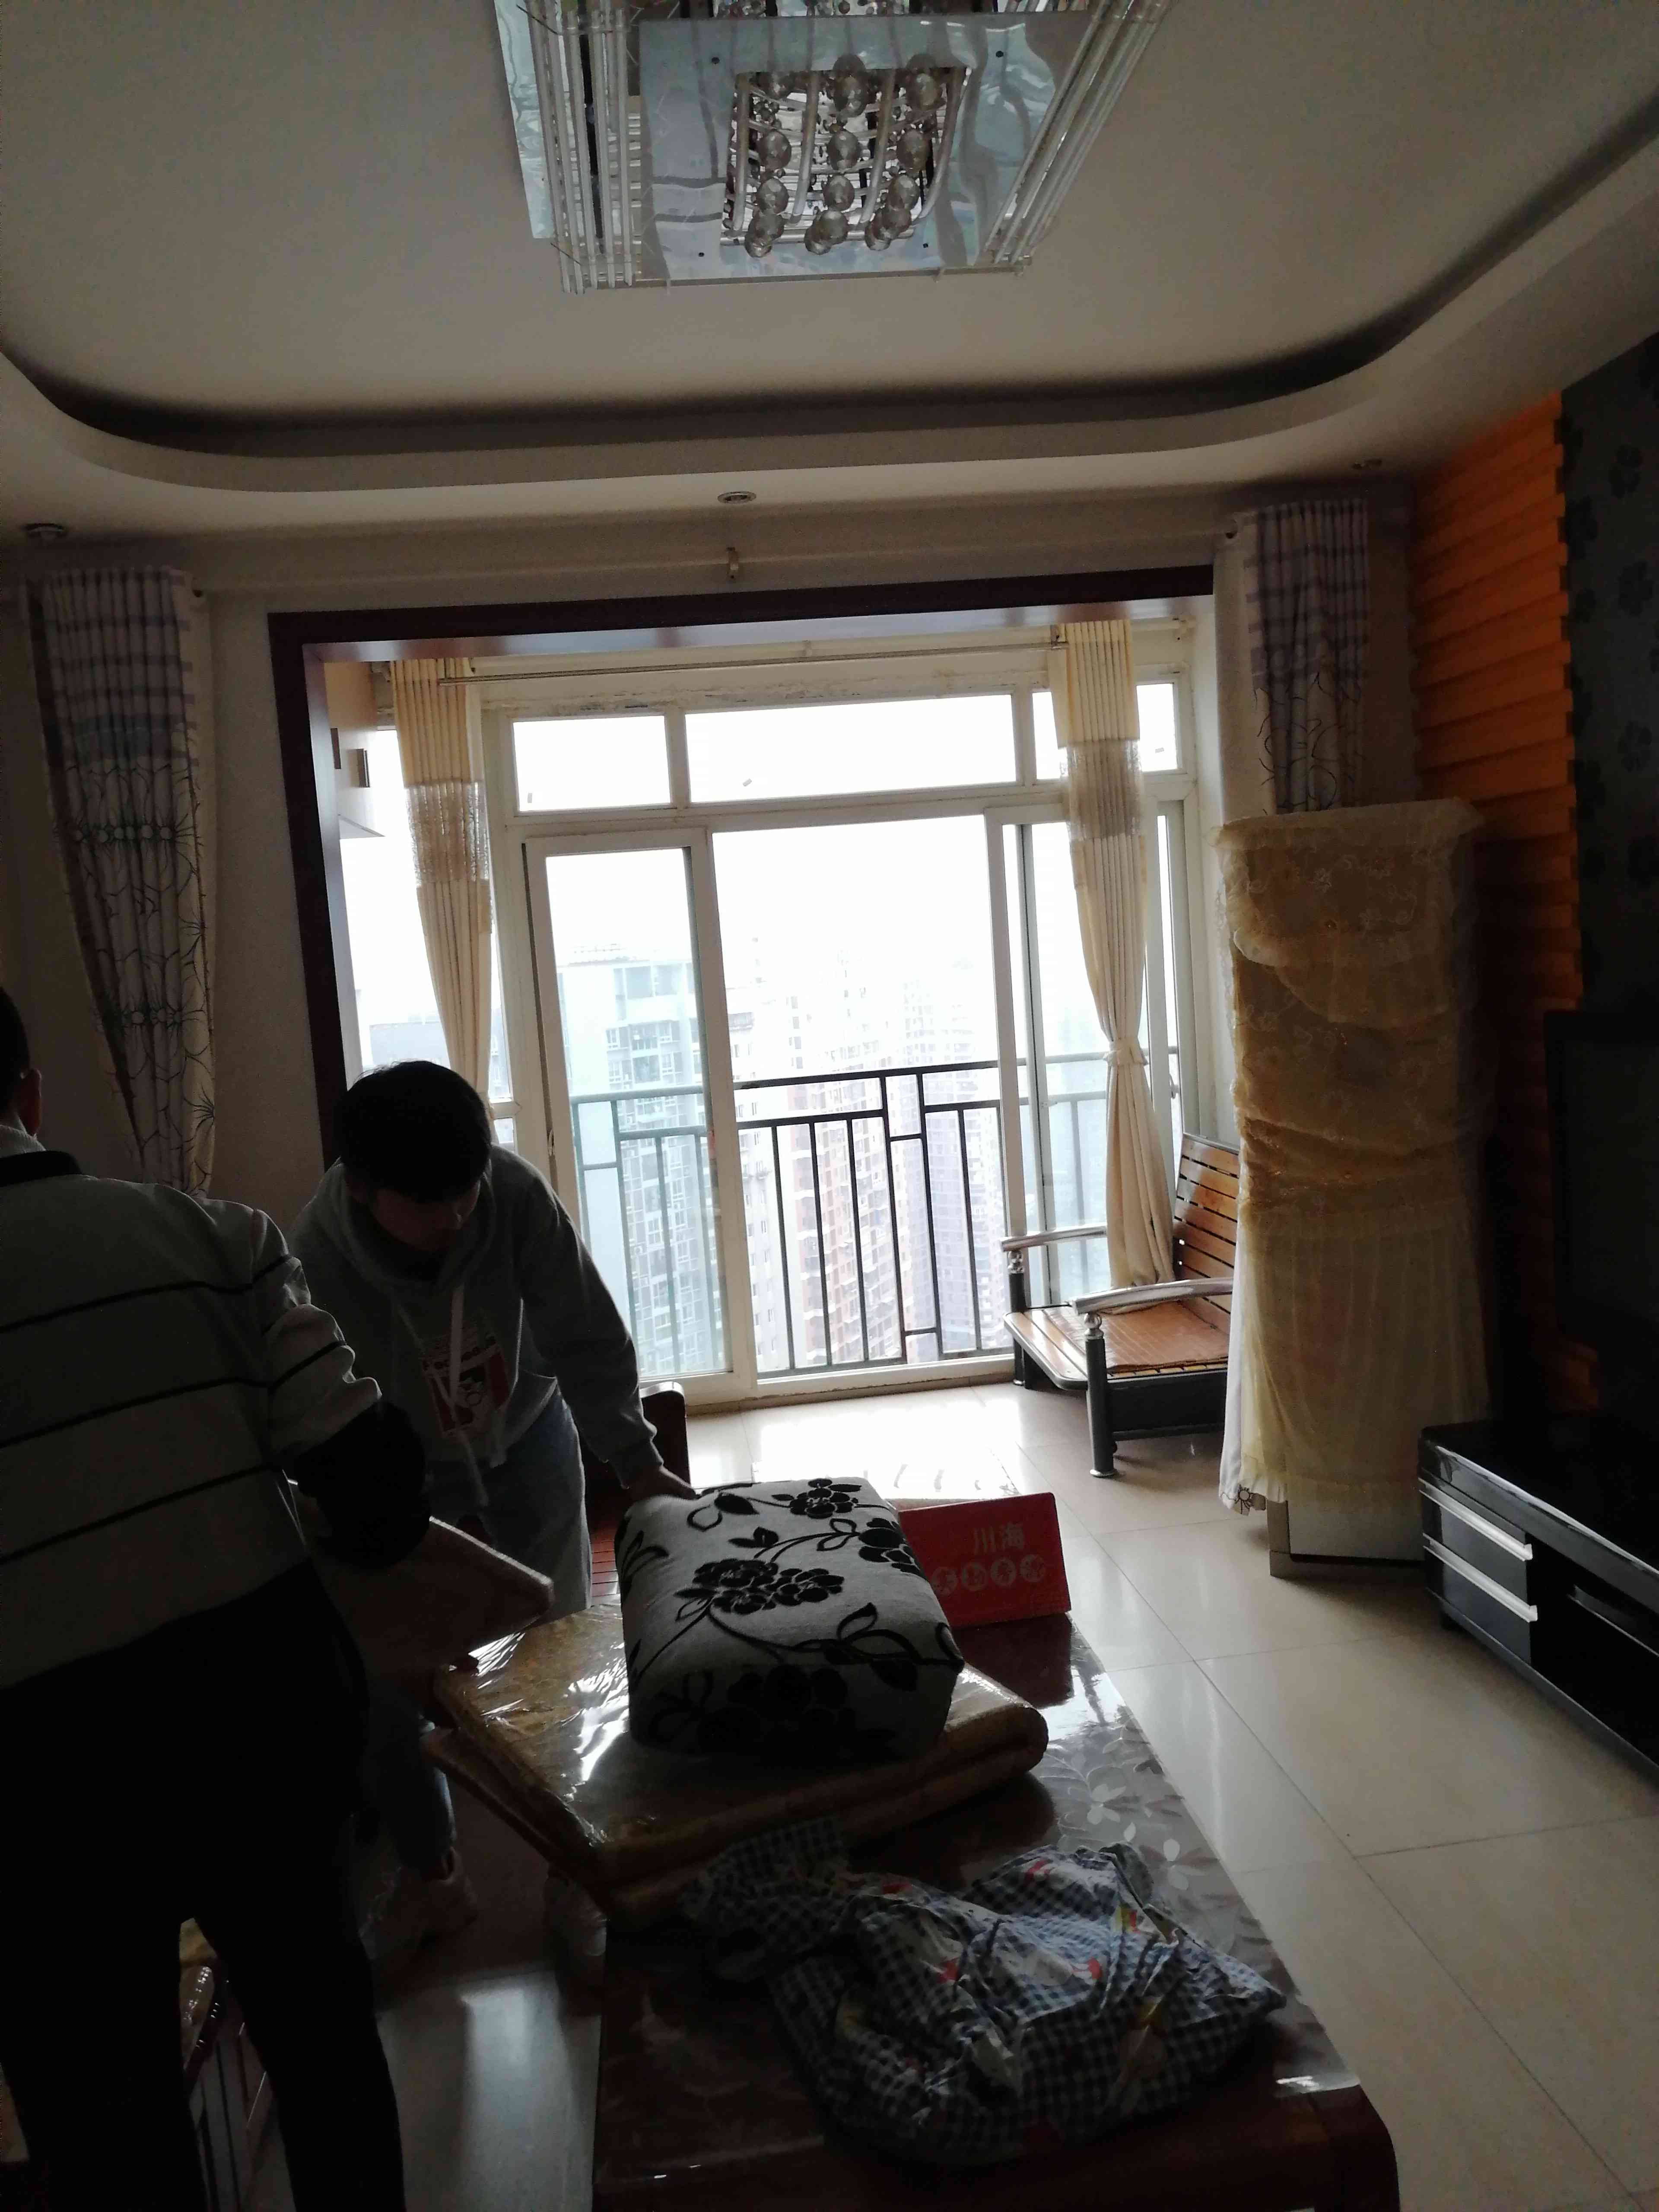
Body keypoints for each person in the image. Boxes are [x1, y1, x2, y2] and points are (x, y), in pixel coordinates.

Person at [0, 988, 428, 2211]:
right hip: (253, 1714)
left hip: (31, 1777)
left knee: (106, 2121)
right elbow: (375, 1496)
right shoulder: (217, 1240)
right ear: (29, 1093)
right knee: (323, 2041)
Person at [290, 1061, 696, 1947]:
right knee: (391, 1684)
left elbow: (584, 1331)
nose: (455, 1215)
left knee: (566, 1656)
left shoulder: (511, 1195)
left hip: (529, 1434)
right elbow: (316, 1410)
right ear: (361, 1188)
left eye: (465, 1189)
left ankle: (578, 1868)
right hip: (396, 1476)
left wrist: (636, 1461)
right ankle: (432, 1874)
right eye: (428, 1201)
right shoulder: (313, 1257)